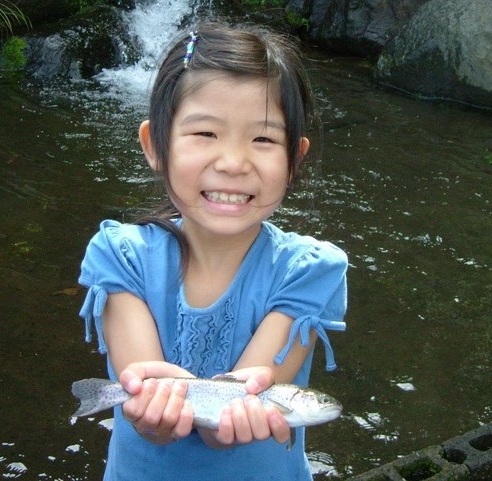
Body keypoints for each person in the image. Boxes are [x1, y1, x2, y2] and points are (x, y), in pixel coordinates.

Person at [78, 20, 348, 481]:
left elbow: (250, 392)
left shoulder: (312, 271)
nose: (232, 162)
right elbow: (148, 414)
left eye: (263, 139)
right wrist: (152, 415)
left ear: (294, 159)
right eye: (205, 134)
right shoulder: (119, 258)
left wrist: (225, 425)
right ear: (154, 146)